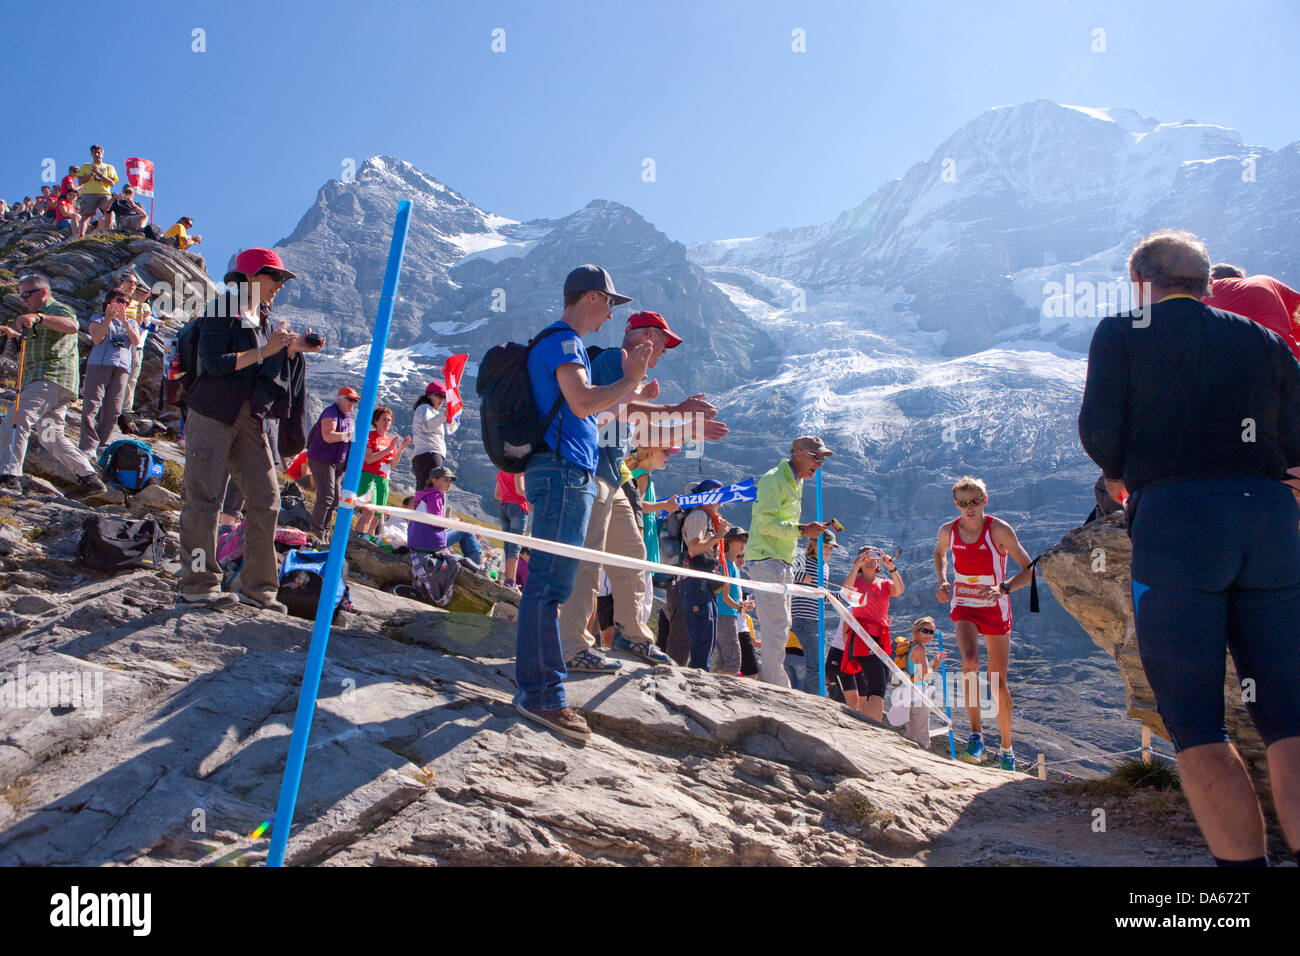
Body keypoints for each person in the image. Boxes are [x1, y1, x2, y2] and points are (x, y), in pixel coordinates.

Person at [1079, 228, 1300, 867]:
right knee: (1288, 717)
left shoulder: (1122, 332)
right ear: (1208, 284)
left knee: (1198, 727)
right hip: (1267, 522)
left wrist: (1121, 471)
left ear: (1140, 284)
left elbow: (1100, 432)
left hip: (1177, 525)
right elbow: (1297, 436)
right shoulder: (1261, 340)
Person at [513, 264, 651, 742]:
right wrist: (631, 379)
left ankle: (544, 689)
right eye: (610, 303)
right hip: (562, 474)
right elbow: (583, 403)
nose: (611, 314)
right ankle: (542, 696)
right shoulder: (566, 342)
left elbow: (587, 407)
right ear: (591, 297)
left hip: (565, 473)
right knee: (548, 586)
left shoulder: (559, 343)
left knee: (553, 584)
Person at [557, 310, 724, 673]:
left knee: (632, 556)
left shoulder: (629, 372)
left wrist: (692, 428)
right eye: (665, 340)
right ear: (646, 334)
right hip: (592, 473)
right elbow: (619, 411)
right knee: (589, 561)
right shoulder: (615, 360)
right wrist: (679, 411)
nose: (666, 349)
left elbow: (636, 434)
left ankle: (631, 635)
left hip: (614, 478)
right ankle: (572, 644)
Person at [177, 247, 311, 609]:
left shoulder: (264, 318)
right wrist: (266, 351)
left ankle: (259, 589)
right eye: (276, 277)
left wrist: (289, 351)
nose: (280, 286)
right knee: (205, 497)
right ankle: (198, 583)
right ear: (251, 276)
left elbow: (261, 366)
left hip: (249, 418)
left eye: (282, 279)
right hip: (211, 412)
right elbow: (214, 363)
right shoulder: (222, 307)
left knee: (267, 498)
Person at [933, 476, 1032, 770]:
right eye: (963, 503)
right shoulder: (948, 531)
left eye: (975, 501)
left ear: (985, 500)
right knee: (969, 660)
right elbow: (939, 552)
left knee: (997, 682)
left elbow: (1030, 570)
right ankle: (976, 736)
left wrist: (1004, 588)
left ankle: (1006, 749)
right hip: (964, 603)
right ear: (956, 505)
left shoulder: (999, 530)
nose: (970, 507)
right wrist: (942, 580)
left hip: (994, 606)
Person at [0, 275, 109, 498]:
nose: (23, 300)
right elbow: (33, 346)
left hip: (47, 378)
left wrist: (39, 318)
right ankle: (89, 477)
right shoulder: (37, 318)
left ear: (42, 293)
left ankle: (9, 477)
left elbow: (72, 326)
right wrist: (13, 335)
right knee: (50, 435)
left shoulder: (57, 309)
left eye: (26, 294)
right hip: (55, 384)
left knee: (16, 420)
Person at [746, 436, 832, 686]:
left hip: (782, 560)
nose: (820, 464)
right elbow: (765, 522)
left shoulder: (796, 481)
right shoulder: (774, 479)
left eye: (823, 459)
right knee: (776, 624)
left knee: (783, 623)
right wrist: (802, 530)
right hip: (766, 558)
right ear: (799, 454)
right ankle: (775, 685)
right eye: (816, 457)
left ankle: (775, 679)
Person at [831, 546, 902, 721]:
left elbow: (899, 590)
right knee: (877, 685)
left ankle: (870, 723)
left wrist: (891, 567)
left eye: (875, 557)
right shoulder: (857, 582)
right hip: (863, 636)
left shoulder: (884, 583)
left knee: (878, 684)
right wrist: (856, 568)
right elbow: (845, 592)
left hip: (881, 637)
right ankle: (874, 727)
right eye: (866, 557)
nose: (871, 561)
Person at [78, 289, 141, 457]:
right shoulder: (97, 318)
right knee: (92, 404)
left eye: (126, 303)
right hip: (100, 363)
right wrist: (108, 319)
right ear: (109, 302)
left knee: (114, 408)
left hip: (121, 367)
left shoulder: (132, 323)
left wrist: (125, 322)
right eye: (120, 300)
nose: (123, 305)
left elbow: (136, 341)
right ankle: (87, 445)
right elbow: (97, 339)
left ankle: (102, 445)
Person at [625, 444, 681, 622]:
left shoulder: (637, 474)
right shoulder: (643, 476)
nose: (668, 456)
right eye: (665, 451)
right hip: (643, 542)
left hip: (636, 538)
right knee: (644, 596)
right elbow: (637, 505)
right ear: (650, 451)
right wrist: (664, 506)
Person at [677, 478, 730, 669]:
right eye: (716, 491)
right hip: (695, 579)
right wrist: (718, 537)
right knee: (702, 632)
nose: (721, 496)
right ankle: (697, 674)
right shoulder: (699, 515)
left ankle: (701, 671)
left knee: (709, 633)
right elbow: (694, 548)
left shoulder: (710, 517)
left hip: (705, 580)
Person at [1202, 263, 1300, 359]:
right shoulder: (1265, 281)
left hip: (1233, 364)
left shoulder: (1204, 292)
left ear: (1211, 279)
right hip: (1285, 358)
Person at [789, 529, 838, 694]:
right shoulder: (802, 559)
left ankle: (813, 696)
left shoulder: (826, 567)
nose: (828, 550)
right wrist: (802, 577)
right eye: (825, 546)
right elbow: (787, 574)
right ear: (813, 545)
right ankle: (815, 699)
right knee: (816, 666)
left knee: (816, 664)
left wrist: (843, 595)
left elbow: (821, 595)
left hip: (817, 618)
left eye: (831, 548)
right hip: (803, 617)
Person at [306, 386, 359, 540]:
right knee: (326, 496)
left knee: (335, 499)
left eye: (355, 401)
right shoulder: (331, 412)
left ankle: (325, 534)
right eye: (350, 399)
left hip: (337, 463)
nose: (352, 403)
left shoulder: (348, 418)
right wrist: (349, 435)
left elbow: (351, 443)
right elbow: (328, 436)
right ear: (340, 398)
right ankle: (316, 532)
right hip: (322, 459)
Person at [355, 406, 410, 538]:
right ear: (376, 421)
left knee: (377, 516)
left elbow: (392, 464)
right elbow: (368, 459)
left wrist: (400, 448)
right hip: (369, 477)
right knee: (368, 512)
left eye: (389, 420)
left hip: (384, 479)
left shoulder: (391, 440)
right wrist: (389, 449)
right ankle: (356, 538)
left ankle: (367, 542)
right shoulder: (370, 436)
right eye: (384, 419)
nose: (387, 423)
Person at [898, 617, 946, 748]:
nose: (929, 635)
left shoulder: (909, 647)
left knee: (911, 733)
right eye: (925, 630)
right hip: (917, 695)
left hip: (906, 694)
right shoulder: (920, 649)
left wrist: (932, 663)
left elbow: (916, 673)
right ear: (916, 630)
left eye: (931, 632)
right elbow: (924, 676)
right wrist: (935, 665)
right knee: (921, 737)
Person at [117, 271, 157, 420]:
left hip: (137, 346)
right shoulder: (126, 304)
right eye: (138, 292)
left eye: (143, 293)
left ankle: (125, 409)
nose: (140, 295)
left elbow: (152, 326)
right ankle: (111, 405)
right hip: (121, 343)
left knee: (131, 378)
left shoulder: (146, 308)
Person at [715, 527, 754, 676]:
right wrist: (740, 608)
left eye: (745, 540)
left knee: (724, 660)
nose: (744, 543)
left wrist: (742, 605)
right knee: (733, 660)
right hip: (725, 615)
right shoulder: (726, 564)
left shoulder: (733, 566)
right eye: (740, 539)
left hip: (727, 614)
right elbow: (725, 596)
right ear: (729, 541)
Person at [495, 469, 530, 589]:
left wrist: (508, 493)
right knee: (515, 547)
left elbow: (497, 495)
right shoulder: (519, 468)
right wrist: (532, 496)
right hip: (518, 507)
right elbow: (520, 490)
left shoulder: (502, 470)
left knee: (507, 545)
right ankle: (511, 582)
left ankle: (505, 579)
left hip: (503, 507)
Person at [410, 382, 447, 491]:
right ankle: (426, 508)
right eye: (438, 395)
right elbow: (426, 426)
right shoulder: (425, 408)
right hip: (430, 453)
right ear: (428, 395)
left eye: (444, 397)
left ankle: (419, 507)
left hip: (425, 454)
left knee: (423, 488)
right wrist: (444, 415)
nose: (442, 399)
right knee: (432, 488)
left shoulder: (430, 410)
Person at [75, 145, 117, 227]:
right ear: (91, 153)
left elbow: (112, 183)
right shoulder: (85, 166)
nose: (97, 154)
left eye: (99, 152)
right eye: (94, 152)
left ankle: (105, 233)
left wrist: (100, 174)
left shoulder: (109, 167)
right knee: (85, 216)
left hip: (104, 194)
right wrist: (91, 174)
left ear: (102, 154)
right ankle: (81, 235)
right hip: (88, 194)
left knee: (106, 212)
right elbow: (80, 181)